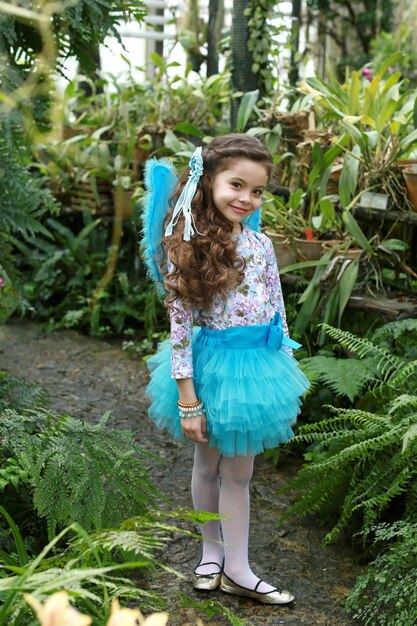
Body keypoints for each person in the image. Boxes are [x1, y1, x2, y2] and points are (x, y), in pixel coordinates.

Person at [145, 133, 309, 605]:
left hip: (258, 368)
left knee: (240, 473)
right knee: (206, 463)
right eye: (236, 185)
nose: (246, 198)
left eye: (256, 191)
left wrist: (284, 359)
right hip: (212, 366)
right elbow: (180, 330)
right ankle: (210, 553)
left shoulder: (261, 243)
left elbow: (277, 306)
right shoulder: (189, 246)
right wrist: (187, 398)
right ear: (209, 182)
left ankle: (239, 567)